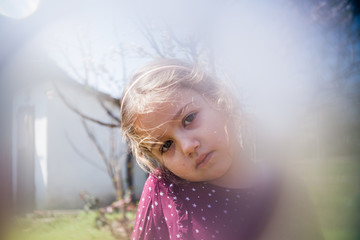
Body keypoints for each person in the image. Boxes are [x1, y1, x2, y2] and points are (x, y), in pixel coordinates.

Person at [120, 59, 323, 240]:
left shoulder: (287, 188)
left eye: (189, 119)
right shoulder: (164, 190)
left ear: (219, 100)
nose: (188, 147)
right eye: (166, 145)